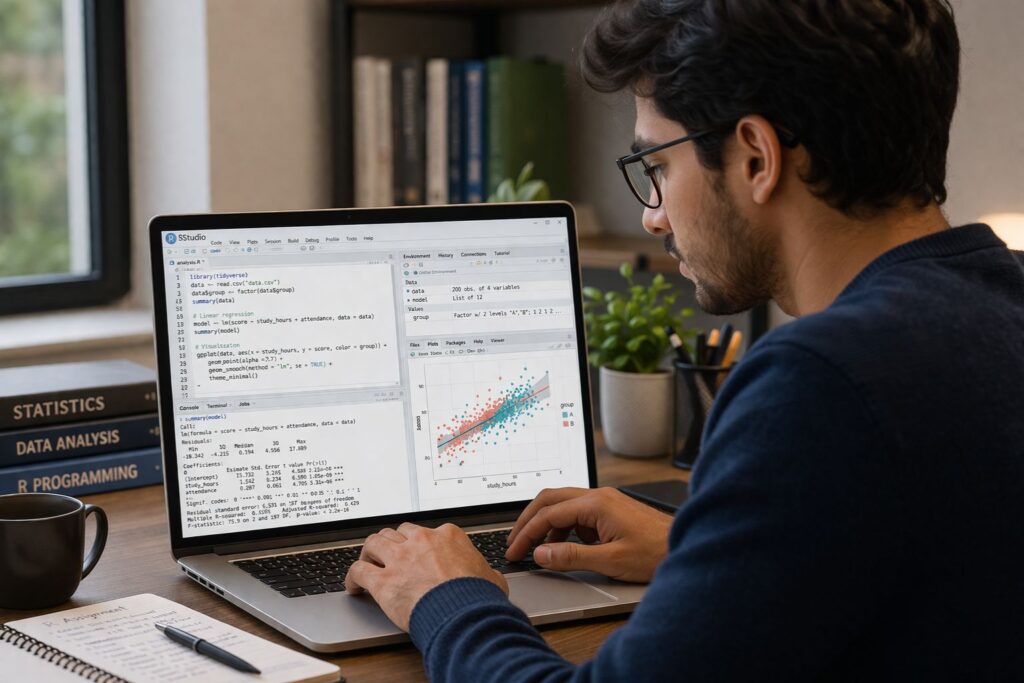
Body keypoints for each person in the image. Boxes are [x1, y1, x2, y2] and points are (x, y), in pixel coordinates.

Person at [344, 0, 1024, 679]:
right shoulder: (999, 305)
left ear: (757, 156)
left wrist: (445, 594)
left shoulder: (822, 380)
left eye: (657, 166)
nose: (652, 216)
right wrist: (697, 550)